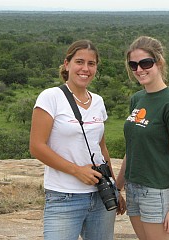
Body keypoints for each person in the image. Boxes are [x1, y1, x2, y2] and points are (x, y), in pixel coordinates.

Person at [29, 39, 125, 240]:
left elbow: (101, 147)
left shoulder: (98, 101)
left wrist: (114, 187)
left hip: (100, 195)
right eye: (79, 62)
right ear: (67, 64)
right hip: (64, 195)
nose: (85, 69)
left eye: (91, 64)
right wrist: (76, 171)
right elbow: (37, 147)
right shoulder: (51, 97)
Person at [116, 36, 169, 240]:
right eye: (133, 65)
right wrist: (118, 187)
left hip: (156, 191)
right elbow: (132, 149)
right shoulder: (137, 99)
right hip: (133, 188)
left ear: (159, 62)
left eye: (145, 63)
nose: (139, 70)